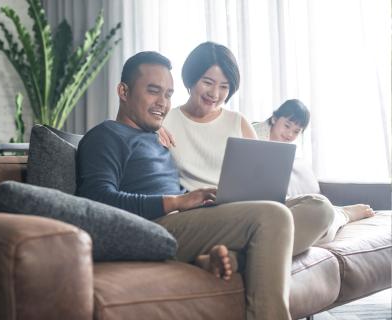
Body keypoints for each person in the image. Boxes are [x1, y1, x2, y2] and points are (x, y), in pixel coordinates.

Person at [77, 51, 295, 320]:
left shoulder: (155, 136)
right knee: (273, 216)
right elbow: (95, 200)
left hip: (189, 218)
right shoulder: (105, 136)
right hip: (156, 227)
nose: (163, 103)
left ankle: (229, 258)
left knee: (306, 208)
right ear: (123, 91)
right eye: (153, 91)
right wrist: (177, 201)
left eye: (168, 95)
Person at [161, 41, 334, 255]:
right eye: (208, 82)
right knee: (273, 220)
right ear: (191, 78)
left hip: (249, 209)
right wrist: (154, 129)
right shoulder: (165, 122)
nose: (215, 93)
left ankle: (237, 258)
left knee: (320, 208)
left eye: (224, 87)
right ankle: (244, 255)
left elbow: (263, 182)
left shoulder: (238, 121)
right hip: (204, 216)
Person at [253, 99, 375, 239]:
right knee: (319, 231)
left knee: (319, 225)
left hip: (273, 202)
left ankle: (342, 214)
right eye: (287, 126)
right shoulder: (251, 134)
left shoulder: (283, 150)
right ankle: (343, 214)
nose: (290, 134)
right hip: (258, 204)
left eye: (296, 131)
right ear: (274, 118)